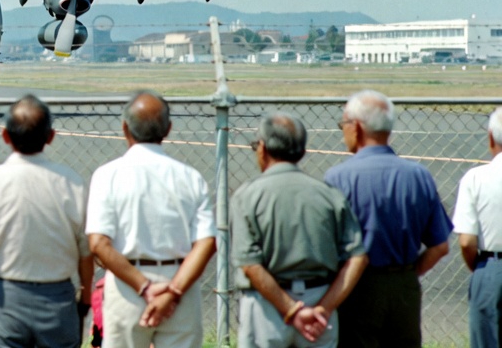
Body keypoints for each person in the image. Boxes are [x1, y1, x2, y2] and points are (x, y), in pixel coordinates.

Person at [86, 90, 216, 348]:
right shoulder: (190, 178)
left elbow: (98, 244)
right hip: (180, 283)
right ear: (168, 129)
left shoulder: (107, 175)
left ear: (125, 128)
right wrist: (174, 291)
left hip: (127, 286)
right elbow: (207, 243)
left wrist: (144, 287)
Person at [0, 95, 94, 348]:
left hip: (6, 296)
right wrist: (86, 295)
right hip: (58, 297)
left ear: (5, 136)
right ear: (50, 136)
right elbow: (87, 252)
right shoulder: (72, 183)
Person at [324, 90, 452, 348]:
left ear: (356, 128)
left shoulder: (338, 178)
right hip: (404, 287)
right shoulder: (418, 175)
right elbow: (440, 246)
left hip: (357, 288)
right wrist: (408, 273)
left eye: (344, 124)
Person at [232, 112, 368, 348]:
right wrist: (324, 308)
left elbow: (251, 264)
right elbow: (358, 257)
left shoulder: (248, 195)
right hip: (319, 304)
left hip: (266, 307)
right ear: (302, 151)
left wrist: (292, 310)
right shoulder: (329, 195)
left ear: (262, 148)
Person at [451, 107, 502, 348]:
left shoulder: (475, 178)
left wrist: (482, 267)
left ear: (491, 138)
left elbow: (466, 241)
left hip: (492, 265)